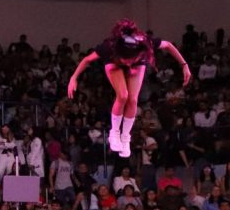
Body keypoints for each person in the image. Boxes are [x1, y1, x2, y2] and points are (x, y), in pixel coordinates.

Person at [67, 20, 191, 157]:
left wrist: (184, 65)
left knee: (133, 100)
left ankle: (125, 138)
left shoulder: (143, 42)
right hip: (114, 63)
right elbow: (87, 60)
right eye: (126, 59)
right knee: (123, 95)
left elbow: (167, 45)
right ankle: (115, 133)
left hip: (138, 63)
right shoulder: (109, 47)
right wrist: (74, 77)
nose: (128, 63)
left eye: (130, 58)